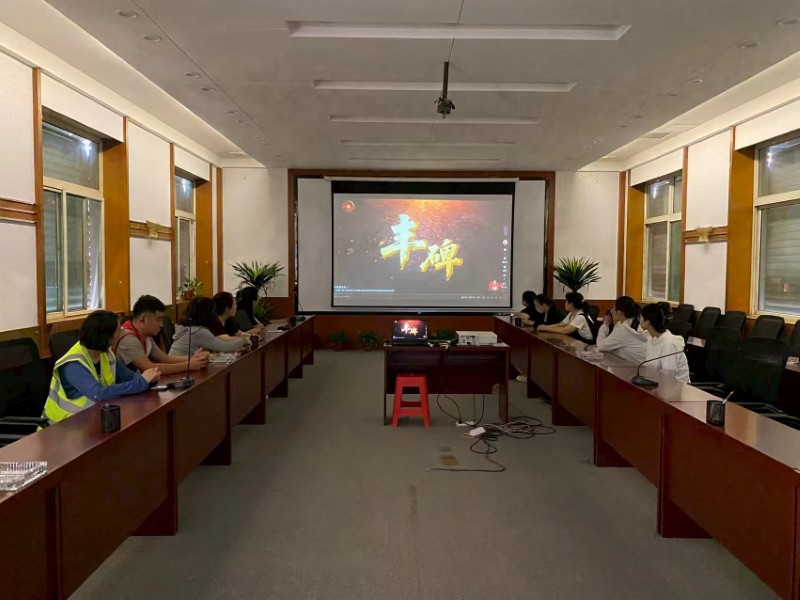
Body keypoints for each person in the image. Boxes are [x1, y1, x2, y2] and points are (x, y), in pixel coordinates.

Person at [41, 310, 160, 425]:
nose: (123, 333)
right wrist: (141, 383)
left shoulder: (107, 355)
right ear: (107, 337)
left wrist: (149, 380)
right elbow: (98, 394)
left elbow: (129, 377)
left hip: (91, 421)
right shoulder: (73, 364)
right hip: (61, 428)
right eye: (119, 330)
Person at [116, 295, 210, 374]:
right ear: (143, 319)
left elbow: (165, 358)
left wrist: (194, 359)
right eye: (158, 320)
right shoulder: (128, 338)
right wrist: (188, 365)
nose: (161, 325)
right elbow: (148, 368)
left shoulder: (146, 336)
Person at [170, 296, 249, 356]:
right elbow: (224, 347)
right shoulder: (199, 332)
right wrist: (244, 341)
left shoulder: (187, 328)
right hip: (183, 368)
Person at [640, 303, 691, 383]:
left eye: (641, 317)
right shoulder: (651, 337)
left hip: (677, 386)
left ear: (647, 322)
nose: (639, 319)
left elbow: (668, 375)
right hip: (655, 383)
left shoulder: (669, 343)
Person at [596, 296, 648, 364]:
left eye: (613, 310)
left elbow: (601, 346)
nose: (612, 312)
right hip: (644, 364)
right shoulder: (635, 321)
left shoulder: (623, 329)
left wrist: (605, 325)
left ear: (619, 312)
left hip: (637, 367)